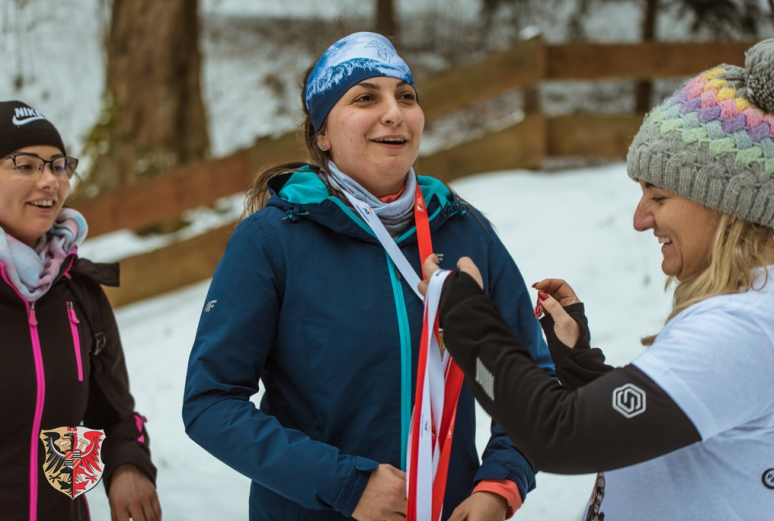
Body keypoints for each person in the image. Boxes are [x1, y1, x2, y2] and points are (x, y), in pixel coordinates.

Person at [182, 32, 554, 521]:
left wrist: (499, 484)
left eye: (406, 96)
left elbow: (529, 381)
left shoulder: (465, 230)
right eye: (365, 98)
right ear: (323, 133)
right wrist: (345, 484)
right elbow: (211, 403)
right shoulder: (272, 240)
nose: (394, 112)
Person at [420, 39, 774, 520]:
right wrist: (580, 366)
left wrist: (465, 319)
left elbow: (559, 437)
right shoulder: (754, 309)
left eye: (658, 196)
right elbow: (679, 426)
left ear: (722, 202)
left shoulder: (741, 330)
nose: (639, 219)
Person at [0, 101, 161, 521]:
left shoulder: (78, 294)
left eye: (58, 165)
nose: (49, 181)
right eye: (27, 166)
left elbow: (106, 416)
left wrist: (126, 466)